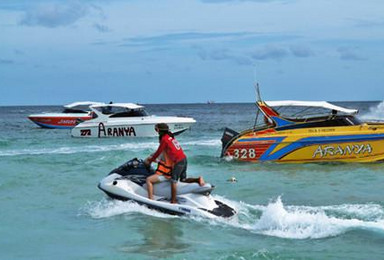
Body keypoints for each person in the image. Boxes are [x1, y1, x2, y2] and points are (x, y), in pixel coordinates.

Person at [145, 123, 204, 203]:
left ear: (160, 130)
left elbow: (158, 152)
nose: (156, 131)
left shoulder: (164, 139)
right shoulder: (170, 137)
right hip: (184, 159)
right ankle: (197, 179)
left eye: (156, 130)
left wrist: (151, 160)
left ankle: (173, 201)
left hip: (178, 161)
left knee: (174, 181)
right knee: (183, 179)